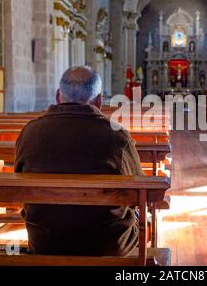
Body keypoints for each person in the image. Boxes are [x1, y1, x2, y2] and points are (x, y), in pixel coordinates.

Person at [15, 66, 143, 256]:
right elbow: (138, 193)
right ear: (99, 101)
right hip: (106, 244)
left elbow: (19, 181)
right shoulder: (117, 136)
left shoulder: (30, 132)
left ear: (58, 96)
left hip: (45, 242)